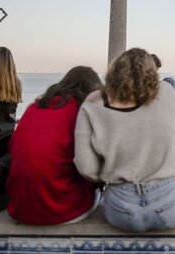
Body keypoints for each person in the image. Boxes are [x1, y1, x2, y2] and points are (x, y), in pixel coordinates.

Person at [74, 48, 175, 232]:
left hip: (121, 208)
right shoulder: (167, 91)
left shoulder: (93, 102)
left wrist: (113, 171)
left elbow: (86, 168)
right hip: (174, 204)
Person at [7, 66, 103, 225]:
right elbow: (90, 168)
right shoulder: (81, 114)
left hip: (19, 207)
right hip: (60, 209)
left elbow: (13, 149)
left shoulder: (33, 108)